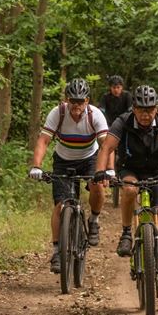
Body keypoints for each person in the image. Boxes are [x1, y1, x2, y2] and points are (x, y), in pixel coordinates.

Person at [93, 85, 158, 299]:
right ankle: (127, 233)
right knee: (129, 190)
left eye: (150, 109)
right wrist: (101, 172)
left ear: (156, 108)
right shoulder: (123, 122)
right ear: (134, 108)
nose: (145, 114)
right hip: (130, 169)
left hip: (157, 173)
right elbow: (106, 148)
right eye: (141, 109)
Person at [28, 78, 109, 273]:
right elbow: (44, 141)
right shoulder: (58, 113)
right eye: (72, 100)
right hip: (63, 160)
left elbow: (107, 145)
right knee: (60, 205)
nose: (76, 105)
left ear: (87, 101)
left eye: (80, 101)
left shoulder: (95, 115)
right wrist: (36, 166)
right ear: (66, 99)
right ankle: (57, 250)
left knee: (98, 186)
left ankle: (94, 221)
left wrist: (107, 170)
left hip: (90, 158)